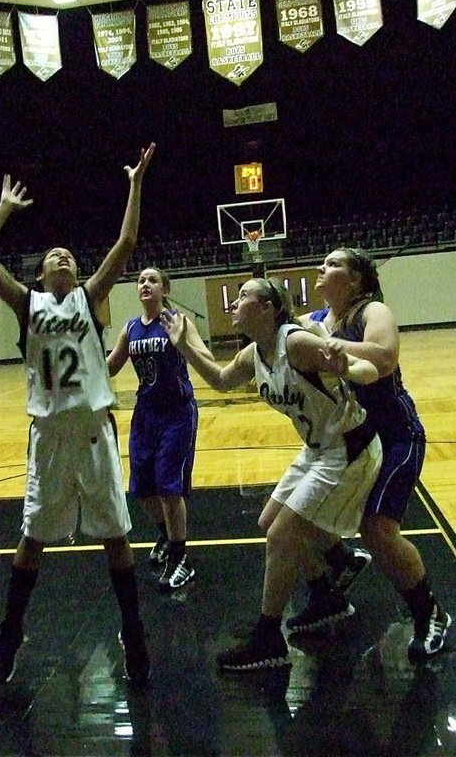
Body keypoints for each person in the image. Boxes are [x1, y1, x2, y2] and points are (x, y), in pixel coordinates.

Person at [0, 143, 156, 687]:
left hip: (93, 428)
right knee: (33, 537)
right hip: (48, 432)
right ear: (41, 271)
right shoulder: (28, 304)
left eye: (70, 255)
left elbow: (126, 242)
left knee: (114, 535)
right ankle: (11, 630)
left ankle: (134, 631)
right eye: (55, 255)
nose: (65, 258)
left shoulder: (91, 297)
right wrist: (3, 207)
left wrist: (135, 183)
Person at [162, 278, 383, 671]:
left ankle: (268, 640)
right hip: (318, 447)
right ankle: (325, 594)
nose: (234, 302)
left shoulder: (295, 344)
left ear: (267, 308)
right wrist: (186, 343)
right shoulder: (253, 354)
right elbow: (220, 380)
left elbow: (367, 369)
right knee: (269, 521)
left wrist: (348, 366)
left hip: (349, 445)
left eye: (244, 296)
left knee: (283, 534)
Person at [296, 249, 451, 662]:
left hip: (396, 434)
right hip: (349, 439)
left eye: (332, 265)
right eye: (322, 263)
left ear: (356, 280)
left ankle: (430, 613)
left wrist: (330, 347)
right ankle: (340, 565)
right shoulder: (311, 322)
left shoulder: (372, 311)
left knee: (379, 528)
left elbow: (383, 357)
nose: (321, 268)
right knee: (296, 513)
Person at [106, 266, 199, 592]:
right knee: (142, 490)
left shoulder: (177, 322)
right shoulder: (130, 328)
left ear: (165, 289)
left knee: (169, 488)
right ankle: (166, 536)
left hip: (176, 413)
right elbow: (110, 367)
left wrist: (183, 342)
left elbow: (203, 356)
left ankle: (180, 558)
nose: (145, 284)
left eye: (152, 280)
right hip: (145, 415)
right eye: (141, 280)